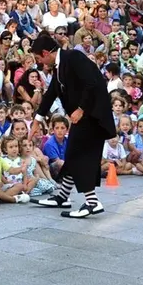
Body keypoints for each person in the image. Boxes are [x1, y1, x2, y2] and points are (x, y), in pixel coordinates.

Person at [32, 31, 117, 218]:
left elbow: (92, 82)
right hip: (83, 117)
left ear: (46, 53)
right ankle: (62, 196)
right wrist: (37, 120)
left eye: (38, 57)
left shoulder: (74, 57)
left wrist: (81, 108)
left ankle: (92, 202)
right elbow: (51, 93)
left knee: (80, 157)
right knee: (72, 154)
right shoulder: (59, 66)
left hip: (93, 116)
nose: (39, 62)